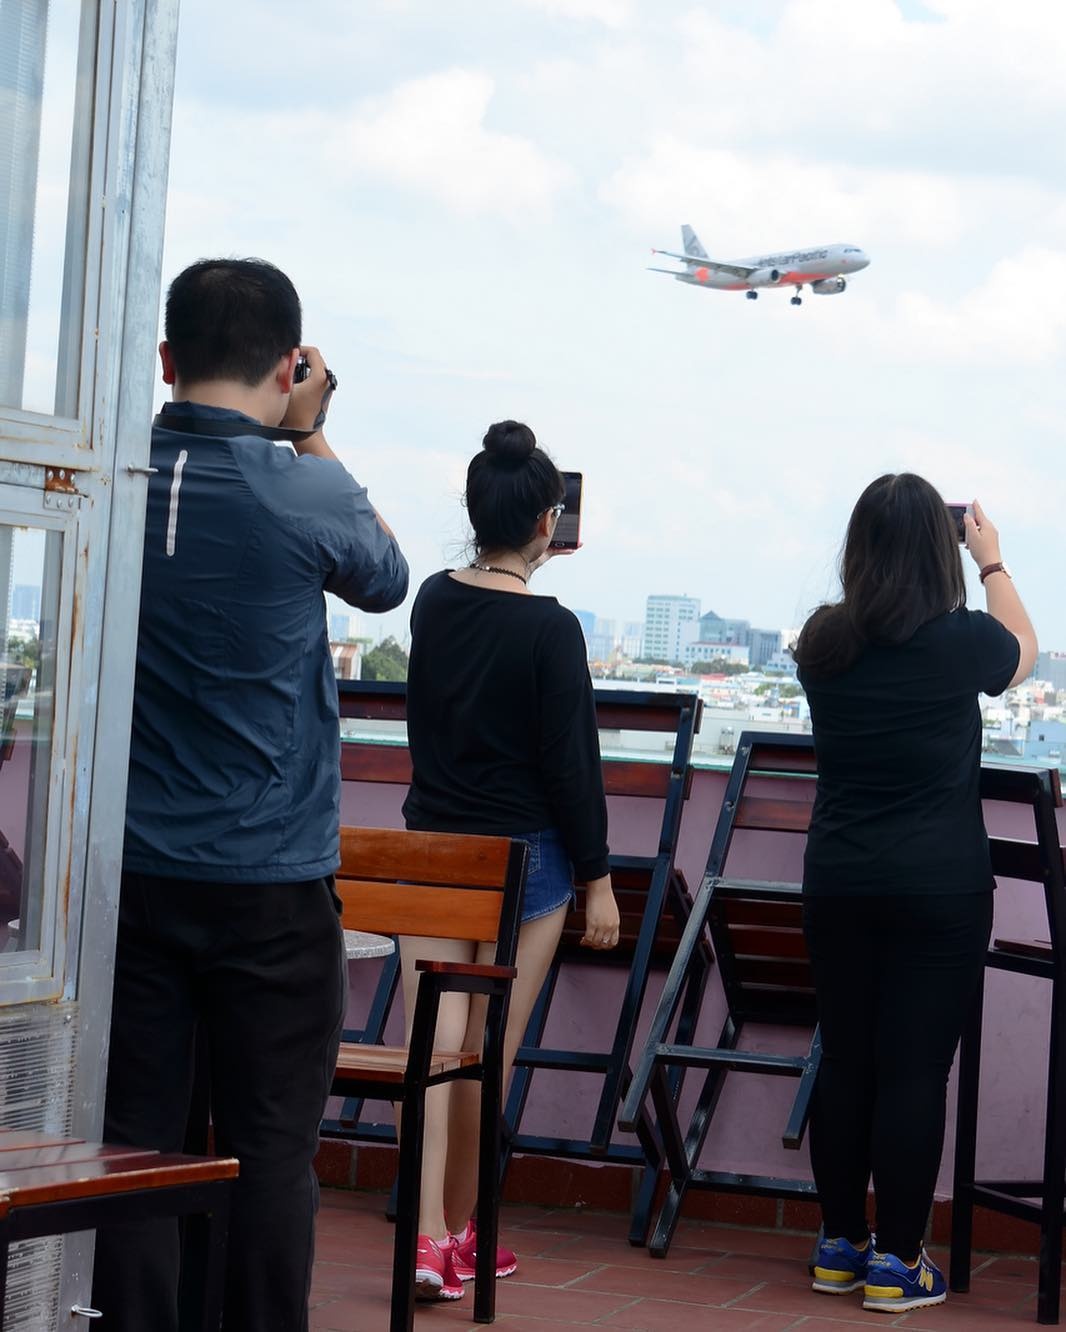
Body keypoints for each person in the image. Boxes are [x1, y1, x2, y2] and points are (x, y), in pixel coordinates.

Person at [91, 258, 408, 1332]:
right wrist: (308, 428)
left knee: (131, 1146)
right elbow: (384, 579)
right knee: (269, 1152)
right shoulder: (303, 484)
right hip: (271, 882)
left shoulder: (107, 475)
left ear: (167, 361)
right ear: (289, 365)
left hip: (127, 874)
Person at [794, 474, 1037, 1315]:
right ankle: (899, 1263)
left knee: (848, 1061)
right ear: (942, 550)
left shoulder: (821, 641)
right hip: (938, 886)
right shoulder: (960, 639)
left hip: (838, 880)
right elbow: (1023, 654)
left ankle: (838, 1247)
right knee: (913, 1073)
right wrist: (993, 562)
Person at [399, 420, 620, 1301]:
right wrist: (598, 882)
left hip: (430, 847)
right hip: (525, 862)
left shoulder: (429, 601)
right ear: (547, 523)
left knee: (433, 1041)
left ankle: (426, 1240)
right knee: (489, 1047)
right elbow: (573, 767)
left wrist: (520, 552)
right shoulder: (554, 629)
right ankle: (466, 1235)